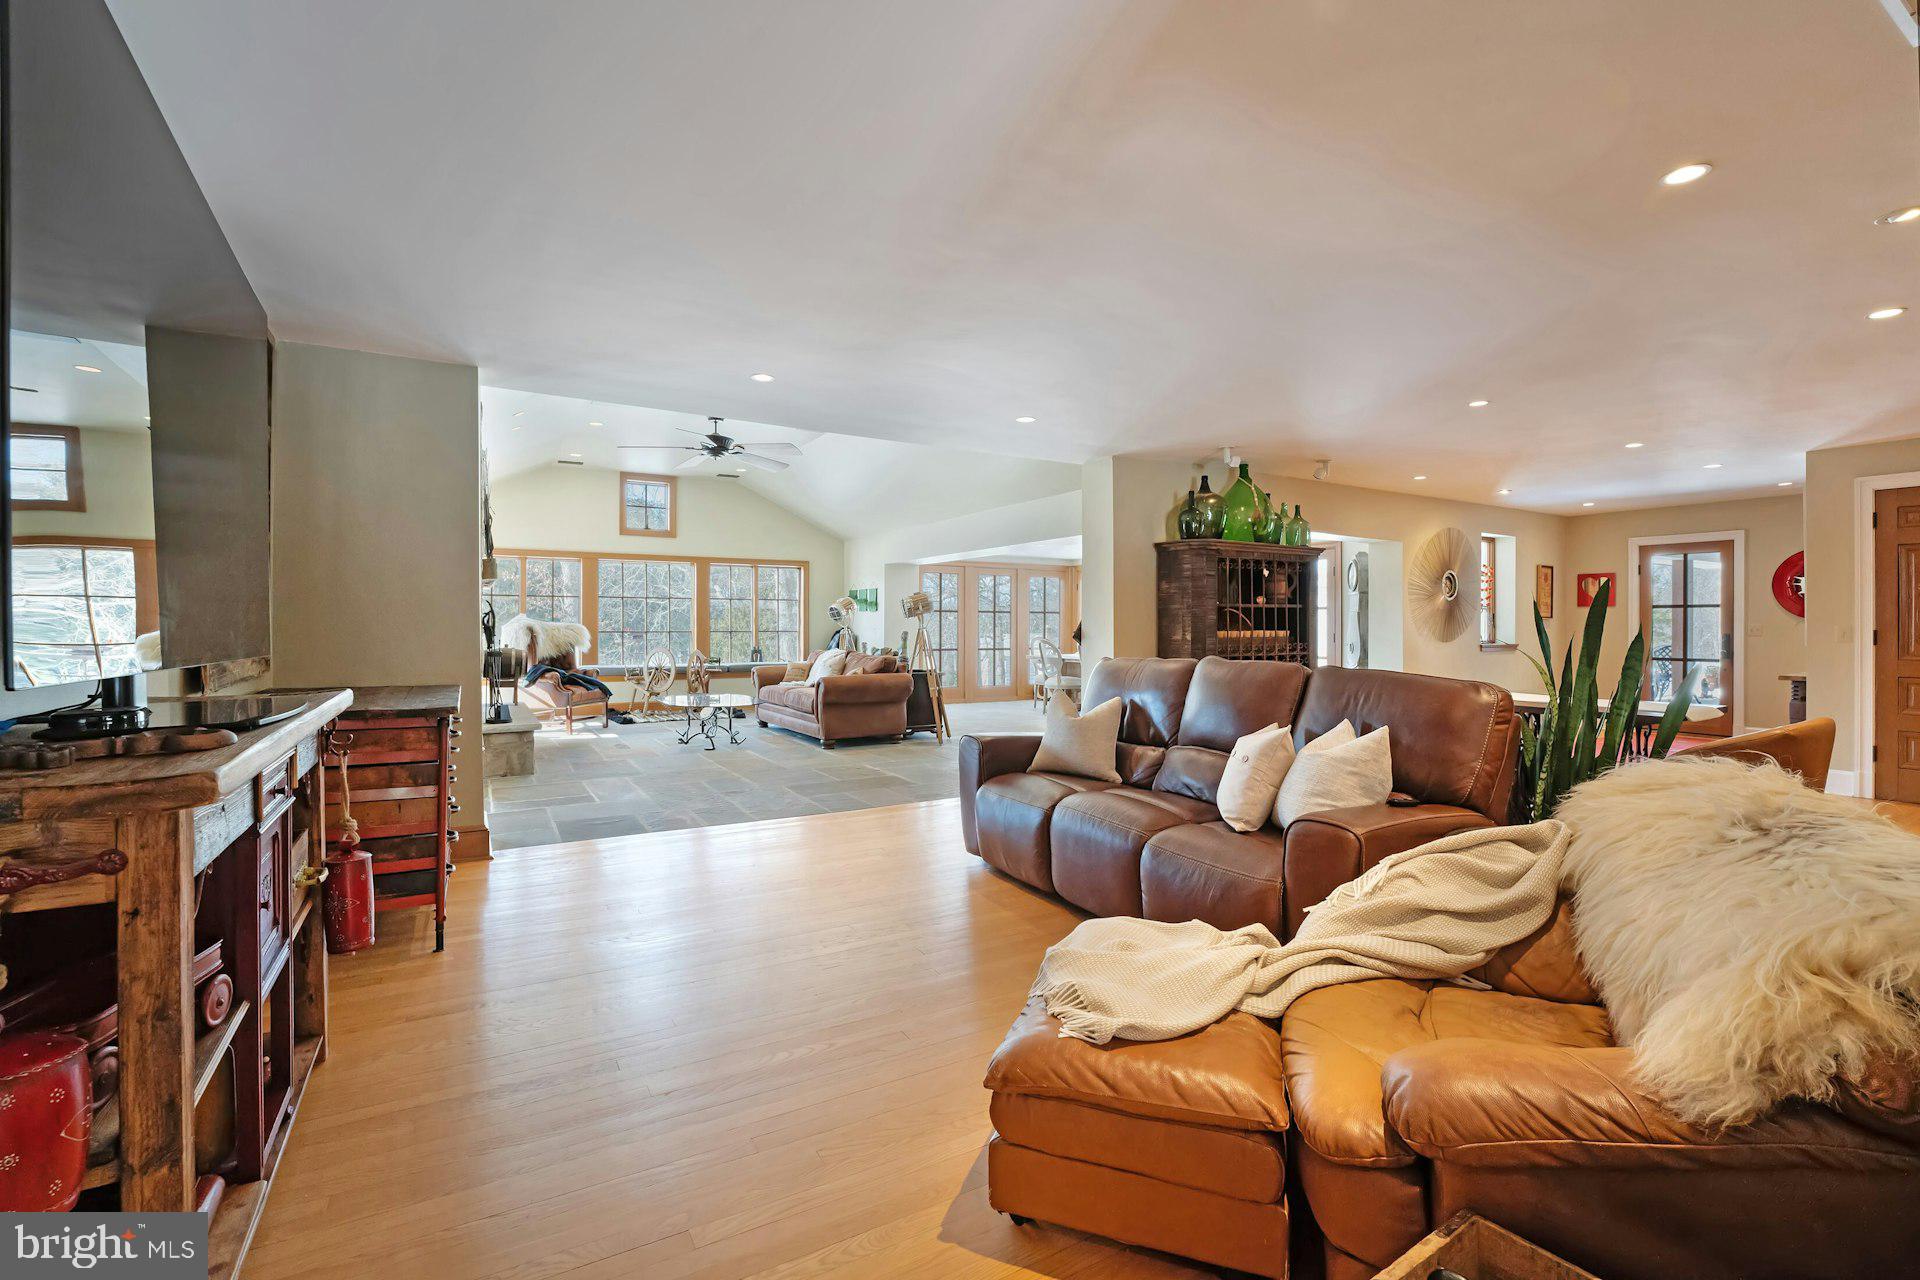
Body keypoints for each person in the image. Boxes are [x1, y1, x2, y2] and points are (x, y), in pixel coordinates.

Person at [524, 662, 635, 724]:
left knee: (596, 685)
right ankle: (568, 722)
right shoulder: (542, 665)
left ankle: (604, 720)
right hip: (560, 681)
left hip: (568, 675)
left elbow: (574, 669)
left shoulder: (567, 646)